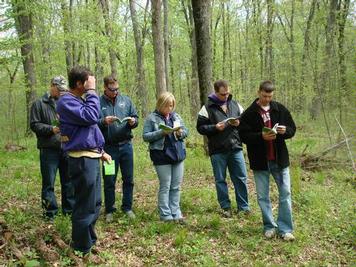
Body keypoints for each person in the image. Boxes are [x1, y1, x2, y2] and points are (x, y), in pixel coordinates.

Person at [56, 66, 111, 254]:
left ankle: (89, 240)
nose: (91, 85)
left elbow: (90, 129)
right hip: (81, 159)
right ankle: (80, 247)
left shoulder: (80, 100)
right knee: (84, 205)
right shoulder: (66, 101)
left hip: (92, 156)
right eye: (88, 81)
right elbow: (91, 117)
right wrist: (92, 92)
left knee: (95, 203)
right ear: (79, 83)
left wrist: (101, 151)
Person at [239, 80, 296, 241]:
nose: (267, 99)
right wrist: (260, 136)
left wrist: (285, 131)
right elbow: (243, 135)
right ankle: (269, 226)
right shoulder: (249, 113)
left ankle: (285, 229)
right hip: (260, 161)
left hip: (280, 160)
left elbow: (292, 129)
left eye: (270, 96)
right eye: (264, 96)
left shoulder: (280, 109)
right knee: (263, 196)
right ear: (259, 92)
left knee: (285, 193)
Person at [196, 79, 249, 218]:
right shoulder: (206, 108)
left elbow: (246, 121)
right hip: (218, 150)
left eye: (227, 93)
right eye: (222, 94)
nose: (225, 96)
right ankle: (225, 207)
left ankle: (243, 207)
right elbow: (200, 128)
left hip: (235, 147)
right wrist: (215, 127)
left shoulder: (235, 105)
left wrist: (239, 123)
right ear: (215, 92)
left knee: (241, 178)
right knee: (220, 179)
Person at [30, 76, 74, 221]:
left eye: (64, 89)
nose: (61, 92)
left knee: (68, 181)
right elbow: (34, 125)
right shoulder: (39, 103)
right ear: (52, 86)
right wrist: (51, 129)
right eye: (59, 89)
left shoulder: (66, 103)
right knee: (48, 183)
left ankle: (69, 210)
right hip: (49, 149)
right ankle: (50, 213)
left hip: (66, 147)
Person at [98, 75, 138, 222]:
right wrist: (103, 121)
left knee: (128, 179)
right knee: (109, 179)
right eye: (112, 89)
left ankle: (127, 207)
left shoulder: (126, 100)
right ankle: (109, 209)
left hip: (126, 146)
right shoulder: (97, 102)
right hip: (108, 148)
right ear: (105, 88)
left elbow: (136, 117)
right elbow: (92, 122)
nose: (115, 92)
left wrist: (133, 122)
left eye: (117, 89)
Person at [143, 92, 188, 222]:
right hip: (161, 155)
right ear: (160, 105)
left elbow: (186, 131)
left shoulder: (176, 116)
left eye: (171, 106)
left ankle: (176, 213)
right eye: (167, 106)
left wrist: (180, 133)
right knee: (166, 185)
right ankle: (165, 215)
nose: (170, 108)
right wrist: (161, 132)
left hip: (177, 154)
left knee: (176, 186)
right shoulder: (152, 118)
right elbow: (146, 136)